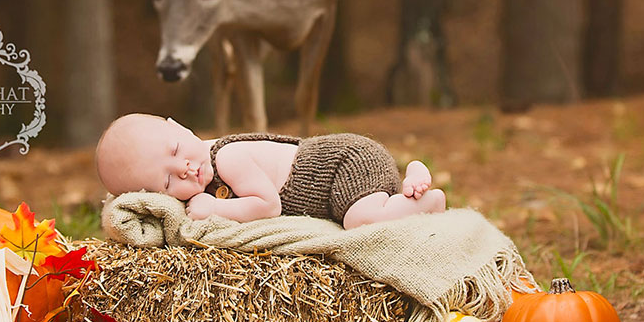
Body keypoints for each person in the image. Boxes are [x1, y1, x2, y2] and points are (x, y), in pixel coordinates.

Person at [95, 113, 446, 229]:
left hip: (344, 165)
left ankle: (424, 201)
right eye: (168, 181)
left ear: (181, 127)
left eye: (175, 151)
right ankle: (404, 187)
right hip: (337, 182)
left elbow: (268, 206)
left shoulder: (226, 159)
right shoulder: (200, 168)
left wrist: (216, 209)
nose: (185, 169)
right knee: (365, 210)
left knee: (359, 220)